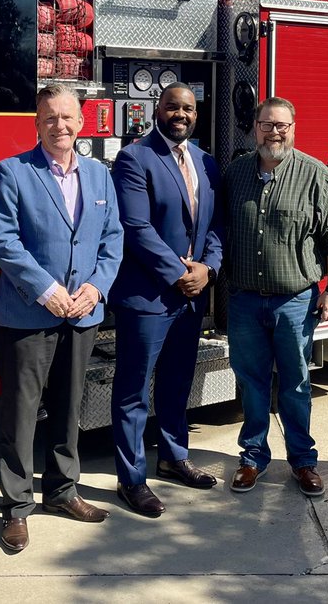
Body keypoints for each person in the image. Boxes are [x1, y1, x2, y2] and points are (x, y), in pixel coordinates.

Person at [0, 84, 124, 552]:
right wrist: (48, 291)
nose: (59, 126)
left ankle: (62, 492)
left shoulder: (100, 176)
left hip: (82, 313)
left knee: (69, 408)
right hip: (27, 314)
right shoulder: (13, 173)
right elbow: (3, 241)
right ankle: (16, 508)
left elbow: (113, 238)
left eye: (67, 117)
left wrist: (95, 288)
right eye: (49, 118)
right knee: (21, 415)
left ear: (82, 122)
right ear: (37, 124)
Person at [223, 97, 328, 497]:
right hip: (245, 300)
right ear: (255, 128)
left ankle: (303, 461)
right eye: (266, 125)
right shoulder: (236, 173)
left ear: (293, 128)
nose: (274, 132)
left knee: (296, 383)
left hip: (295, 302)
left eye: (281, 125)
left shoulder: (315, 175)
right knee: (251, 382)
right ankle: (252, 458)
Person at [109, 83, 223, 517]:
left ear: (197, 113)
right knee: (133, 391)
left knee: (178, 382)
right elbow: (136, 228)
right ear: (157, 110)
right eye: (173, 106)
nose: (181, 114)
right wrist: (180, 273)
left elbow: (215, 227)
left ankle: (174, 458)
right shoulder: (135, 158)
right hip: (148, 297)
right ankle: (131, 480)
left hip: (191, 297)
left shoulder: (206, 162)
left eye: (188, 108)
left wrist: (207, 270)